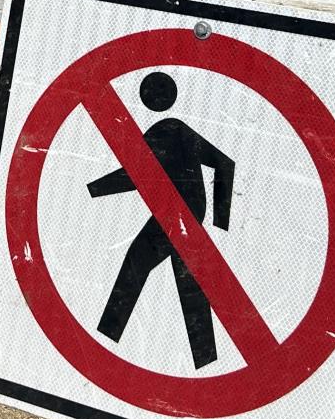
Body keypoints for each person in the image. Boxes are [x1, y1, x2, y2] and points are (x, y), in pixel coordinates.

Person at [87, 71, 235, 370]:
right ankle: (207, 361)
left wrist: (93, 189)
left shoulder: (165, 131)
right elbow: (224, 164)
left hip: (176, 215)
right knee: (189, 282)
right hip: (189, 213)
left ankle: (104, 342)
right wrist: (215, 218)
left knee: (136, 264)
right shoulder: (175, 128)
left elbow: (133, 174)